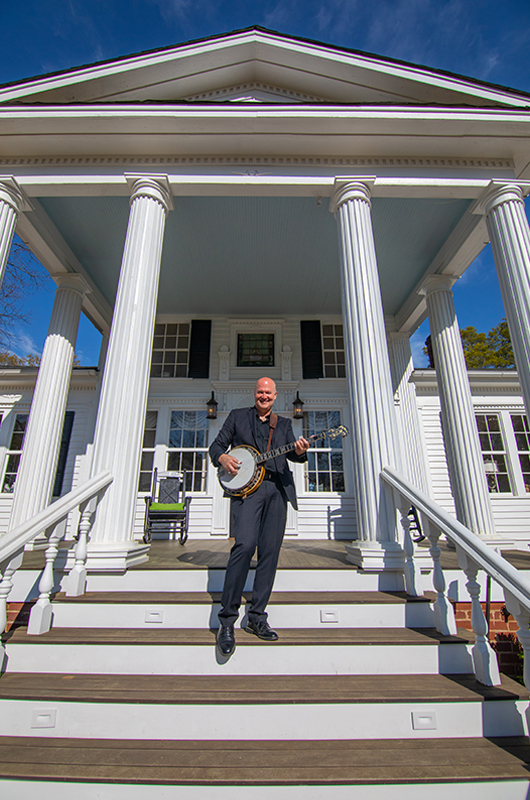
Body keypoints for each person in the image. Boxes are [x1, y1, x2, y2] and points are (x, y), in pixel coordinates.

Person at [209, 377, 310, 656]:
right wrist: (223, 459)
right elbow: (216, 447)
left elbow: (296, 455)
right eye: (260, 392)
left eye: (268, 393)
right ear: (255, 394)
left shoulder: (285, 424)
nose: (264, 396)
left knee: (269, 553)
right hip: (247, 491)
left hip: (277, 491)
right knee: (243, 546)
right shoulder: (237, 417)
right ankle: (227, 621)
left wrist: (301, 452)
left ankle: (256, 617)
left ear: (275, 396)